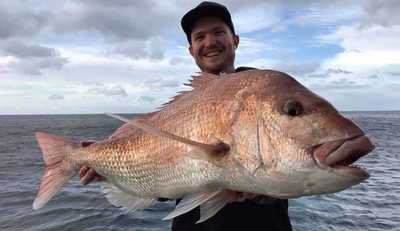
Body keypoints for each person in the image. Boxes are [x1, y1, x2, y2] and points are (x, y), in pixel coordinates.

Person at [79, 2, 292, 231]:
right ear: (191, 50)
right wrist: (113, 170)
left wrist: (263, 193)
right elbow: (166, 180)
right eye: (199, 37)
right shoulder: (180, 110)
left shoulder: (266, 94)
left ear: (235, 40)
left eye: (218, 32)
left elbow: (295, 167)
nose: (209, 42)